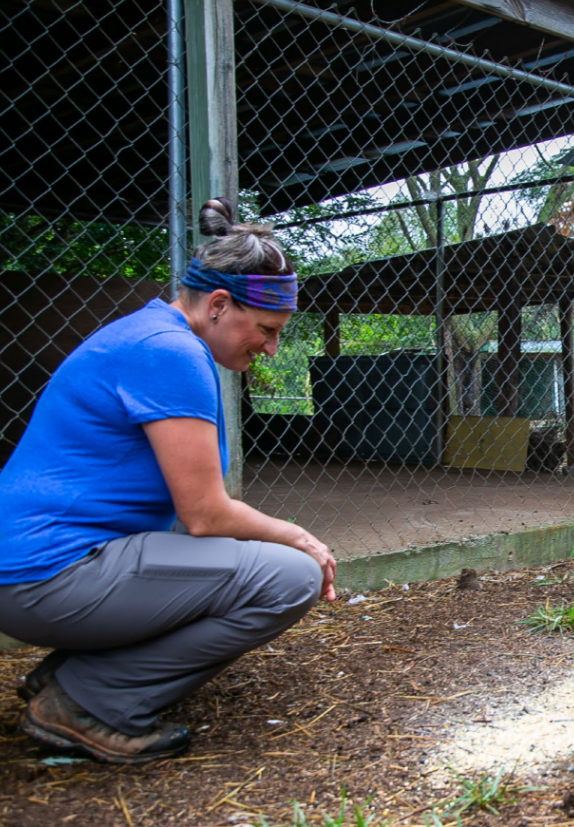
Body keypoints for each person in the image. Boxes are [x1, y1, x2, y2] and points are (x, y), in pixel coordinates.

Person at [0, 199, 337, 765]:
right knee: (290, 577)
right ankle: (88, 702)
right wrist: (299, 536)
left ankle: (66, 678)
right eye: (267, 329)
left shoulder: (151, 334)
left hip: (36, 568)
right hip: (44, 575)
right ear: (219, 304)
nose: (272, 348)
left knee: (236, 563)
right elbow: (205, 514)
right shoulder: (170, 352)